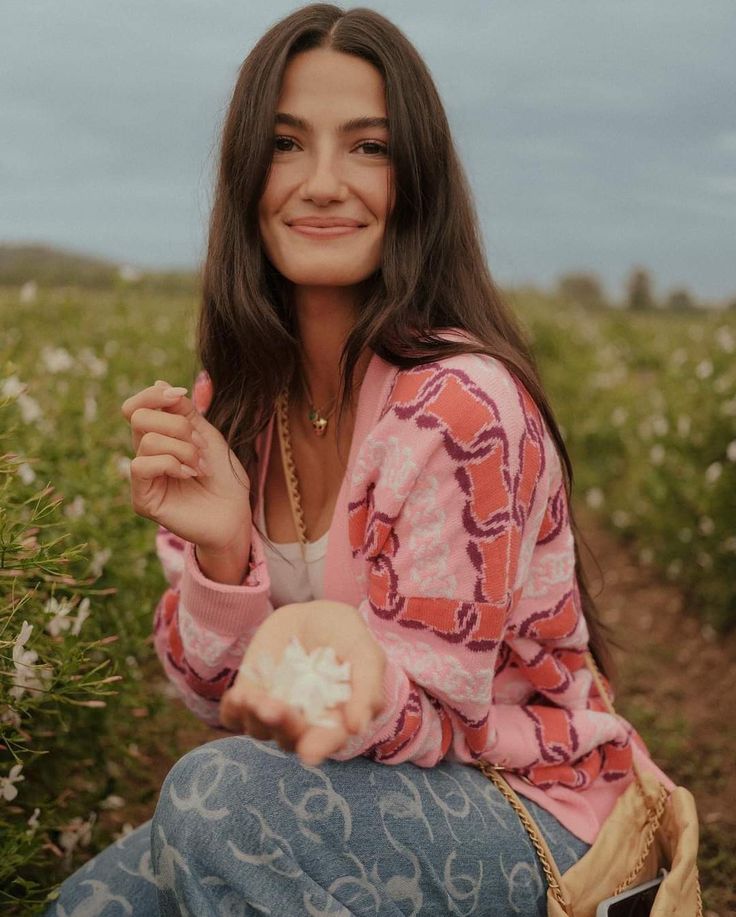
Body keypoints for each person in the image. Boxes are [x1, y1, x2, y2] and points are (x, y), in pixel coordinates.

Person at [46, 4, 675, 915]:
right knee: (91, 905)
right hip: (338, 789)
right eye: (288, 143)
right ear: (246, 173)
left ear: (413, 178)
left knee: (212, 802)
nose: (325, 182)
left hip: (533, 810)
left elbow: (437, 715)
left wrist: (325, 660)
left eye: (369, 147)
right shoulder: (243, 400)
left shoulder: (461, 405)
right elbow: (219, 698)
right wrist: (225, 560)